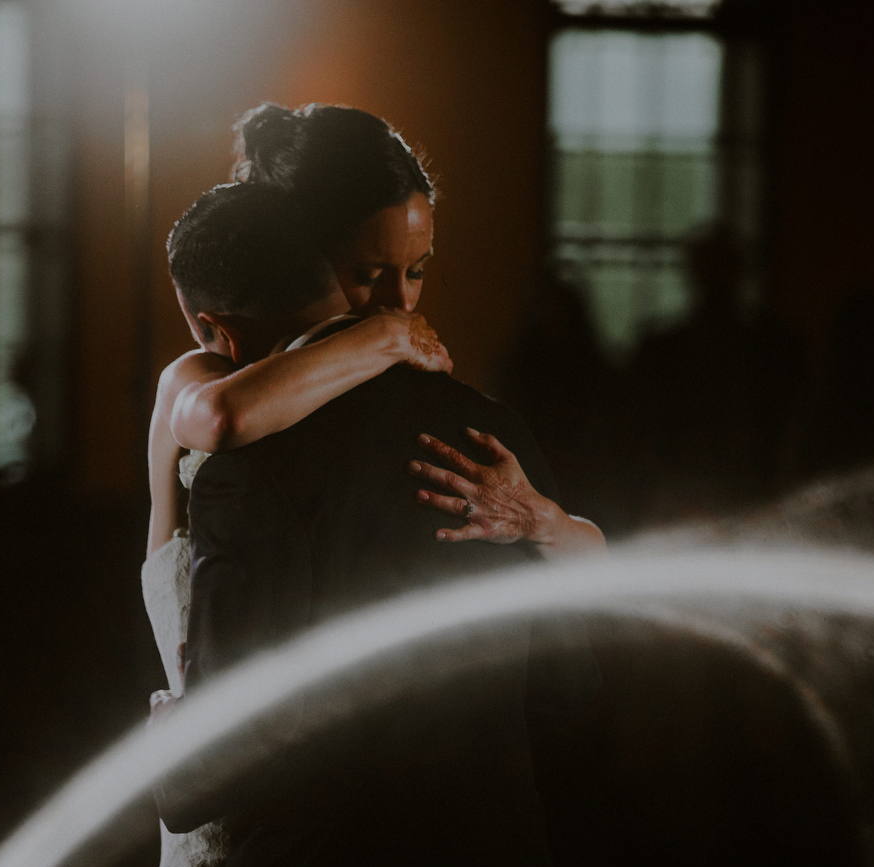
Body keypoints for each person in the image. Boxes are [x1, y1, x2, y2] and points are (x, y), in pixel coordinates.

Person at [143, 182, 450, 867]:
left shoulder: (324, 403)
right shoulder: (200, 380)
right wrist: (385, 337)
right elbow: (218, 418)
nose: (389, 300)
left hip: (279, 813)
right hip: (222, 806)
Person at [234, 102, 604, 556]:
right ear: (297, 261)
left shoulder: (480, 430)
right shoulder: (219, 389)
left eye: (417, 271)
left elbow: (592, 572)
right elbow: (227, 415)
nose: (402, 304)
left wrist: (544, 521)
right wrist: (386, 337)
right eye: (368, 275)